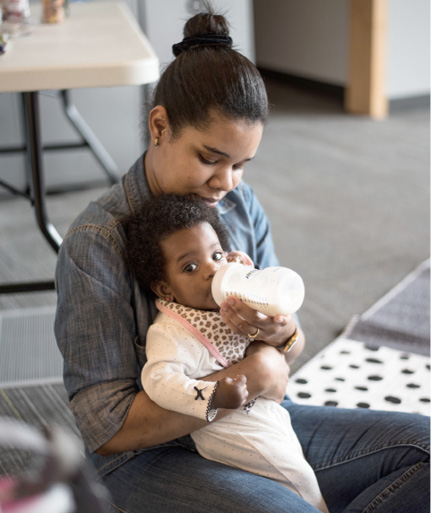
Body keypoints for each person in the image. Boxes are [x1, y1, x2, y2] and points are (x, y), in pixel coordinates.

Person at [54, 5, 430, 513]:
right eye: (210, 159)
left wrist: (277, 336)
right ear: (160, 126)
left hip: (259, 420)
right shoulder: (96, 242)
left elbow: (287, 341)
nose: (226, 183)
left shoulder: (235, 205)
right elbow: (106, 427)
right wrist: (256, 376)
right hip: (152, 453)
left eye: (241, 165)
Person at [124, 194, 329, 512]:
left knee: (298, 470)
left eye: (216, 255)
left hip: (268, 414)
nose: (211, 271)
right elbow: (157, 378)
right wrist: (212, 395)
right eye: (190, 267)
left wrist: (256, 289)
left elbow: (285, 330)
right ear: (165, 289)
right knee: (299, 481)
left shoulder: (231, 302)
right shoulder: (172, 332)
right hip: (229, 431)